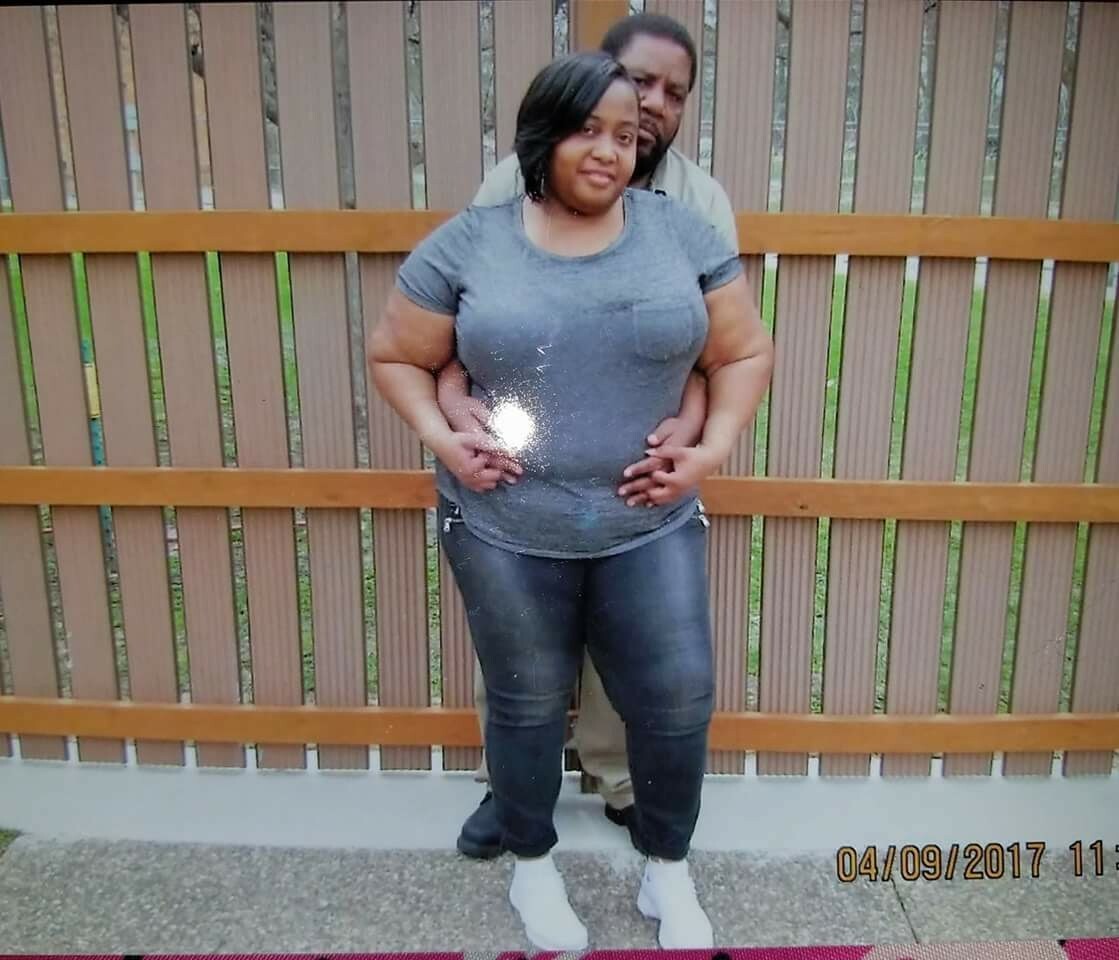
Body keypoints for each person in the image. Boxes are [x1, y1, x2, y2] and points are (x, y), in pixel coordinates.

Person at [369, 51, 772, 950]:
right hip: (505, 523)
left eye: (625, 137)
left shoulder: (679, 234)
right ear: (543, 136)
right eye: (587, 130)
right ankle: (533, 868)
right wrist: (444, 438)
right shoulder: (471, 242)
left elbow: (742, 351)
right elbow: (396, 354)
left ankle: (667, 873)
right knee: (525, 700)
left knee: (675, 698)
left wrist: (708, 447)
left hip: (648, 518)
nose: (608, 151)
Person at [437, 12, 741, 861]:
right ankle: (512, 786)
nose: (653, 103)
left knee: (633, 647)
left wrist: (692, 424)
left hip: (639, 462)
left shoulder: (698, 202)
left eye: (673, 92)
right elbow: (465, 304)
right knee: (520, 650)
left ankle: (618, 778)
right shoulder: (515, 178)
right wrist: (453, 397)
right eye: (639, 81)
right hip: (521, 467)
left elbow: (711, 336)